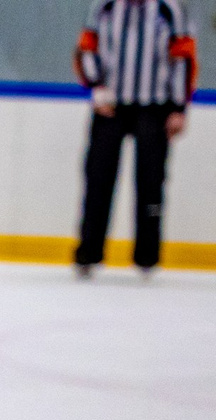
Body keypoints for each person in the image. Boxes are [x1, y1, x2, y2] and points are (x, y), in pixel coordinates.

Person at [73, 0, 197, 277]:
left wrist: (178, 107)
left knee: (152, 182)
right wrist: (96, 86)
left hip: (154, 107)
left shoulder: (169, 8)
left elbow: (183, 56)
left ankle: (147, 255)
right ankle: (88, 252)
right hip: (110, 105)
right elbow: (86, 47)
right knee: (98, 178)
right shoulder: (104, 6)